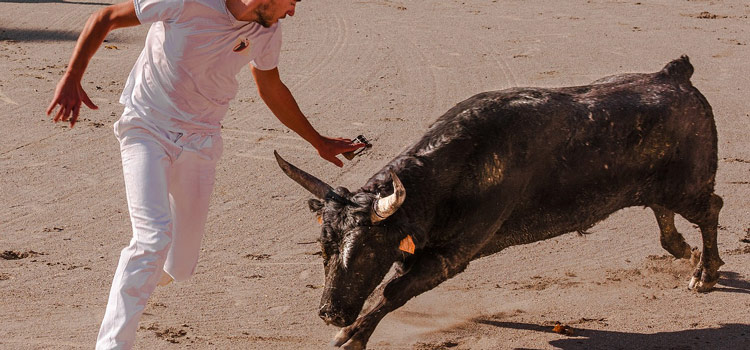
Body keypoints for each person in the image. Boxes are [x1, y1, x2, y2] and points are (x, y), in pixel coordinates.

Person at [46, 0, 364, 348]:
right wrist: (72, 76)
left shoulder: (266, 30)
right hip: (147, 127)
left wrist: (317, 141)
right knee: (152, 239)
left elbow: (271, 87)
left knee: (179, 268)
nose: (291, 12)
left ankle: (142, 274)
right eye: (292, 1)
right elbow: (105, 17)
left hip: (201, 142)